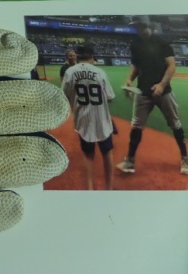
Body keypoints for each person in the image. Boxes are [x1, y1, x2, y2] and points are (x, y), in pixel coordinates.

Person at [117, 21, 188, 174]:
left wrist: (161, 85)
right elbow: (136, 66)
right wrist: (129, 79)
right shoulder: (135, 44)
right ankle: (129, 161)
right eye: (137, 27)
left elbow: (171, 65)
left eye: (142, 27)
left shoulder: (161, 42)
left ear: (148, 26)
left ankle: (185, 159)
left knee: (175, 124)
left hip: (165, 92)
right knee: (136, 126)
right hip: (143, 92)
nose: (140, 30)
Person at [62, 45, 116, 190]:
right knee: (107, 152)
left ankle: (89, 189)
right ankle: (109, 188)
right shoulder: (100, 72)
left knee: (88, 155)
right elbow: (110, 97)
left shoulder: (70, 72)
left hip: (83, 119)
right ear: (92, 56)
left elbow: (64, 97)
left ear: (78, 56)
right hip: (102, 119)